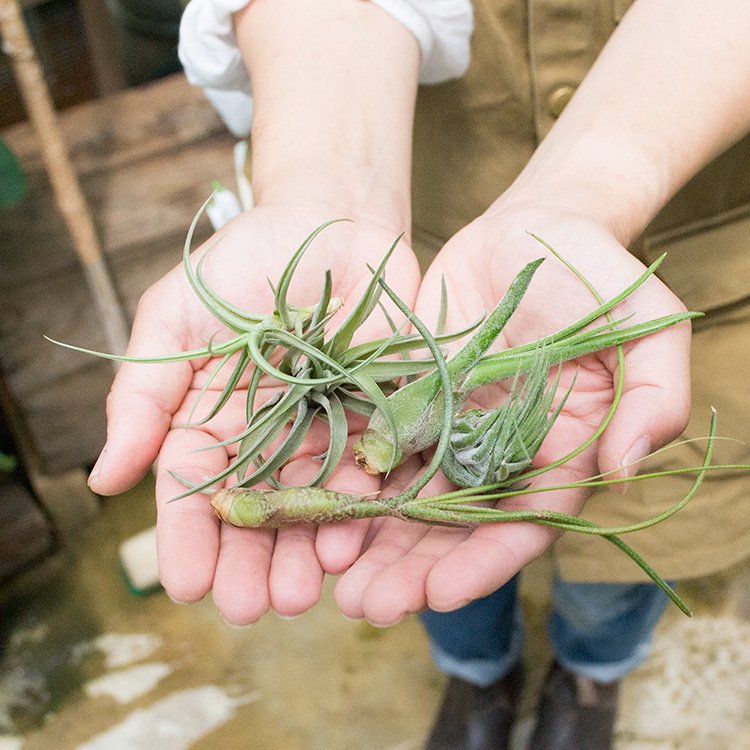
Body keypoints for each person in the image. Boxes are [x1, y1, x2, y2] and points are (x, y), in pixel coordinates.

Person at [88, 1, 750, 748]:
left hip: (701, 284)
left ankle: (593, 673)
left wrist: (588, 194)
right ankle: (477, 675)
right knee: (428, 566)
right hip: (422, 278)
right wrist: (326, 197)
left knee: (620, 569)